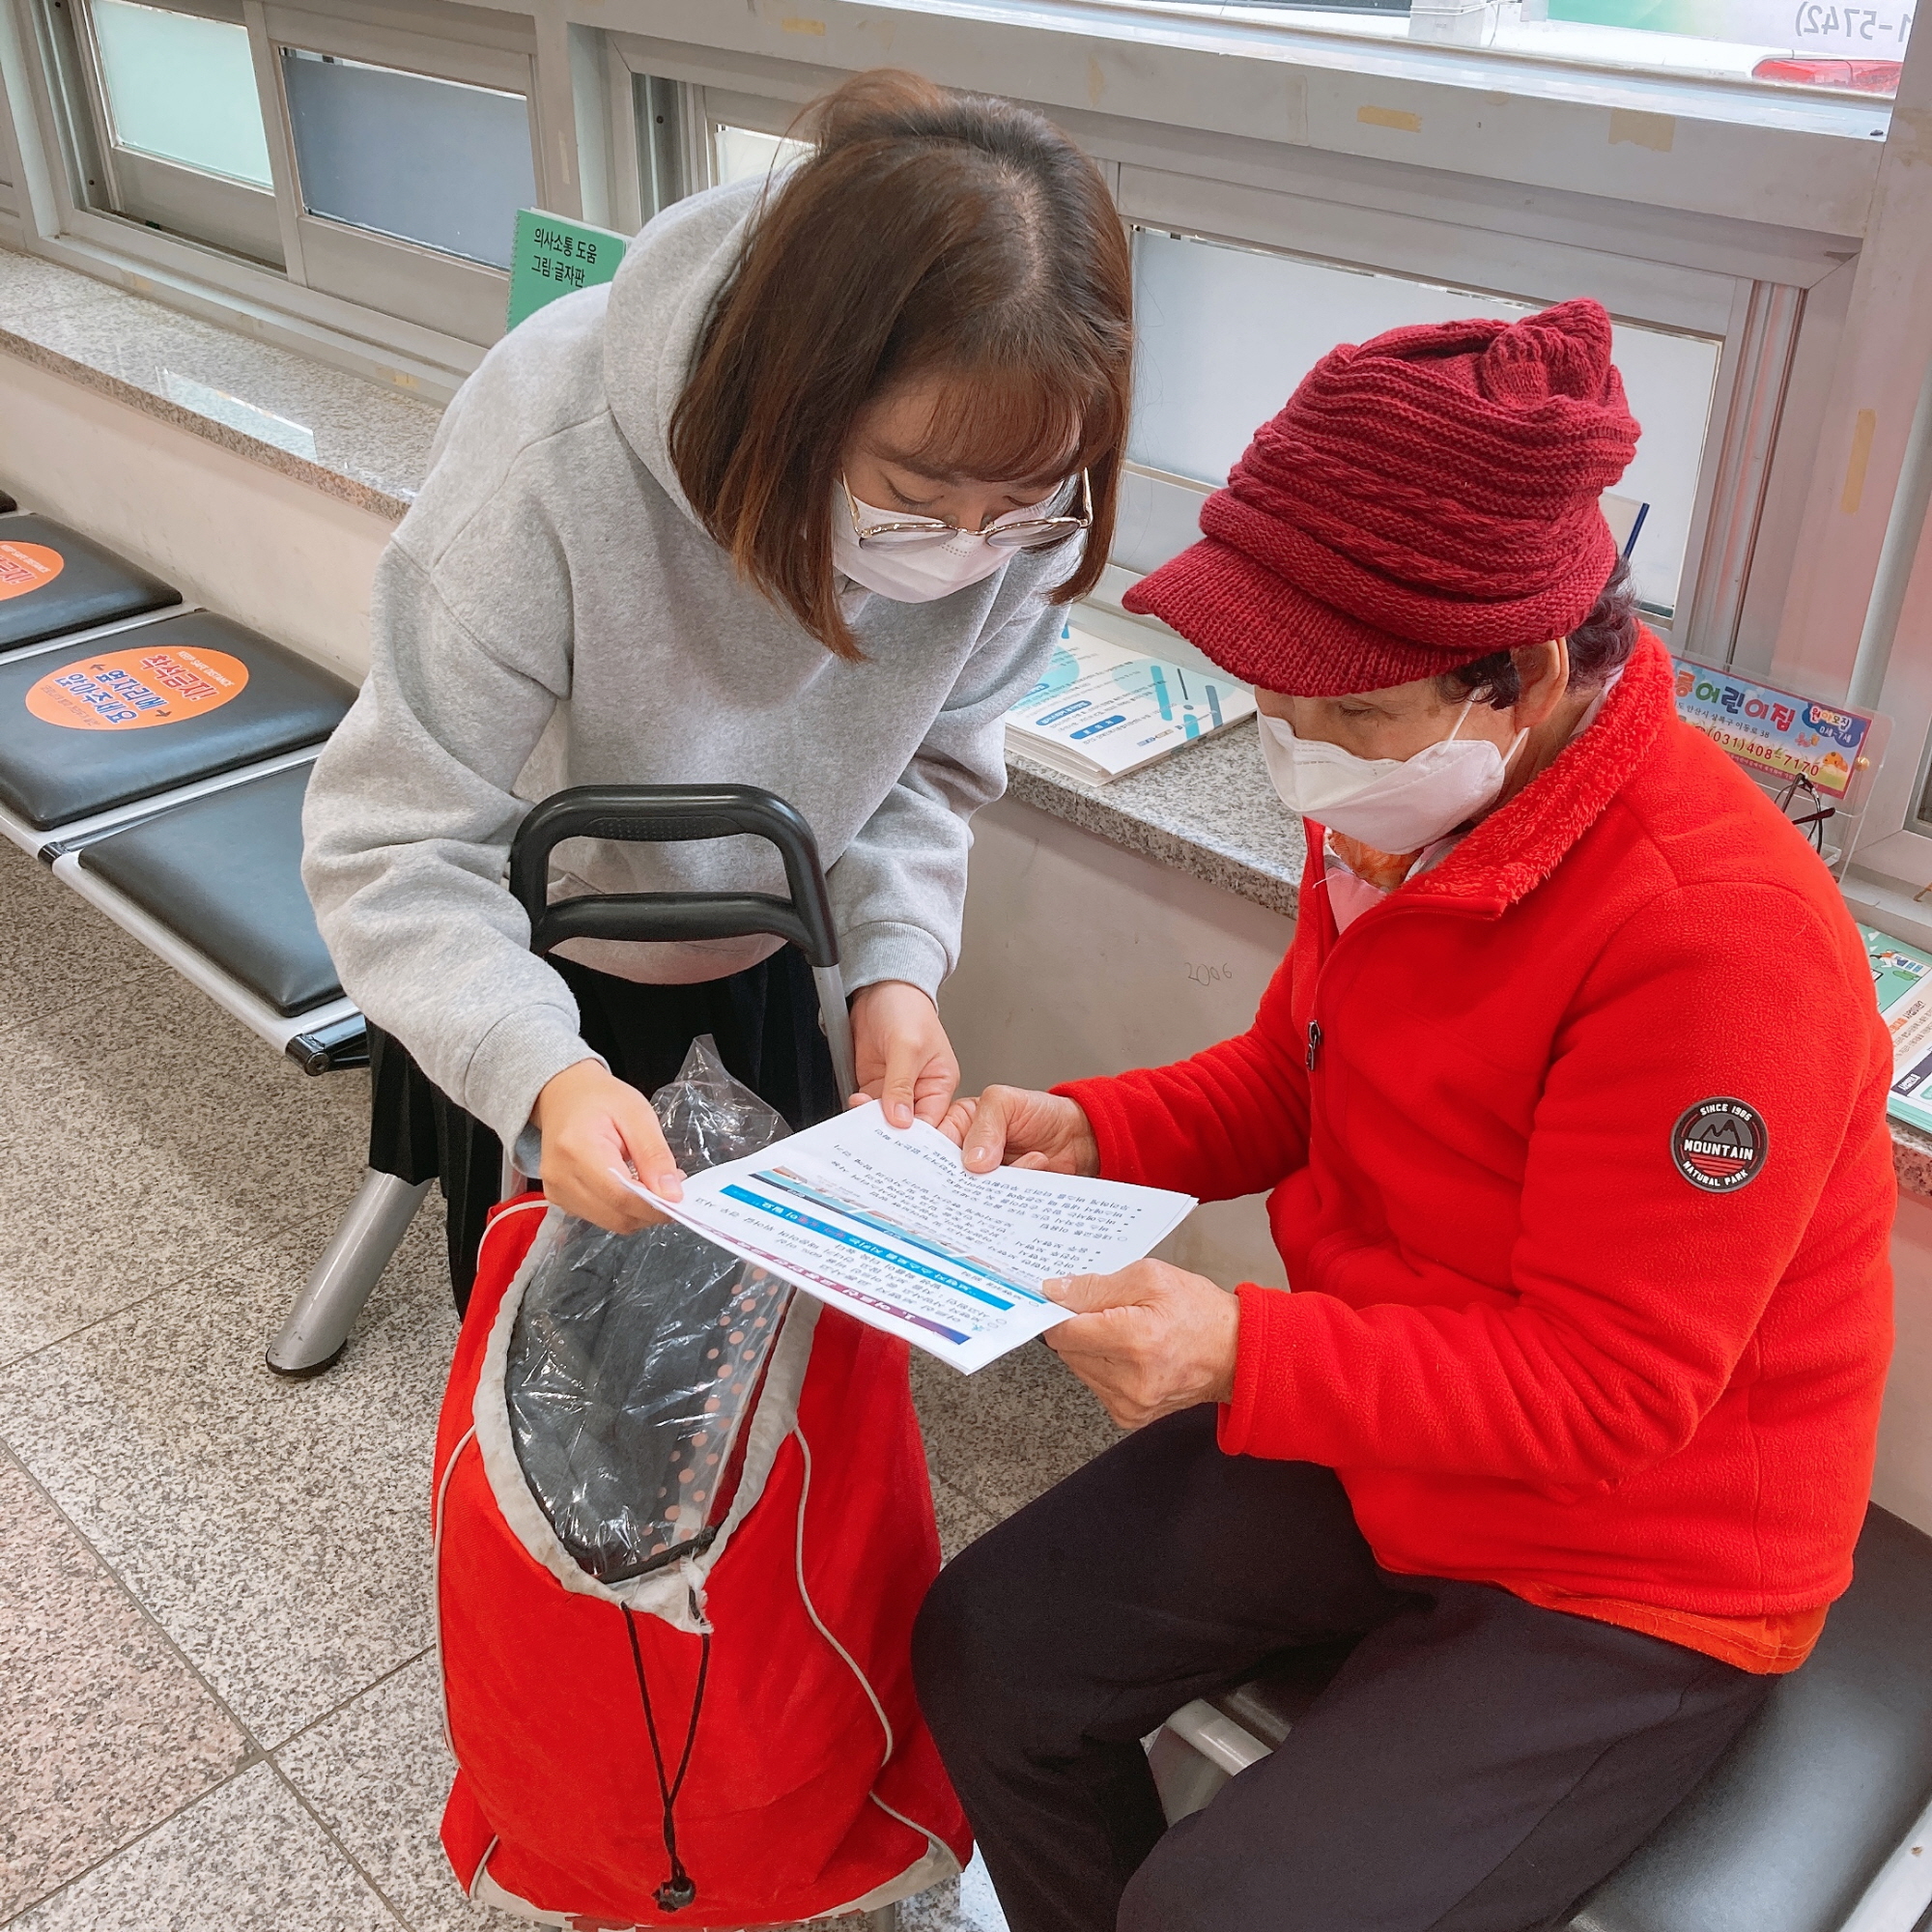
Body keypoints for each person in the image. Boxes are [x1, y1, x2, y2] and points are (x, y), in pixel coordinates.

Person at [915, 299, 1896, 1932]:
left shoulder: (1718, 942)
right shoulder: (1408, 804)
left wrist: (1243, 1354)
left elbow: (1611, 1392)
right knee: (988, 1651)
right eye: (1280, 711)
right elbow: (1300, 1075)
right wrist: (1086, 1130)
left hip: (1641, 1563)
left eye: (1349, 722)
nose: (1302, 766)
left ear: (1514, 679)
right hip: (1404, 1428)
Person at [299, 70, 1130, 1298]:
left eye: (1015, 511)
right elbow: (393, 841)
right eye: (910, 498)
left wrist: (896, 967)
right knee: (551, 1329)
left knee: (749, 1343)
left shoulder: (1028, 493)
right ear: (793, 402)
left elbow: (928, 765)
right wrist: (545, 1073)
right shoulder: (553, 441)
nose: (965, 546)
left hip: (766, 953)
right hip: (526, 949)